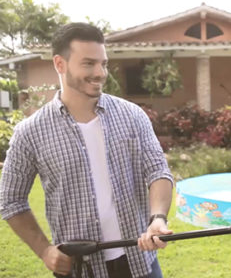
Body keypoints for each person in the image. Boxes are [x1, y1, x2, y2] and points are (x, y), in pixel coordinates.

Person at [0, 23, 174, 278]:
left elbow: (157, 170)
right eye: (88, 64)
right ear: (60, 64)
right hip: (79, 270)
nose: (100, 72)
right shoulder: (30, 132)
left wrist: (157, 217)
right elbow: (10, 200)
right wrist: (45, 251)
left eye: (103, 63)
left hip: (140, 265)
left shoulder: (132, 115)